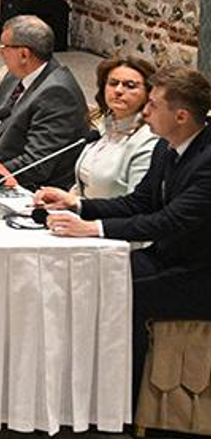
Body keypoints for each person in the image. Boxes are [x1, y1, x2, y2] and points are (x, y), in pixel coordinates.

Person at [37, 66, 211, 390]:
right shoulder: (166, 146)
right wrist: (77, 205)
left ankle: (126, 395)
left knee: (117, 290)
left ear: (182, 116)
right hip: (168, 258)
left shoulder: (206, 160)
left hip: (199, 273)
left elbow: (169, 221)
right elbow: (140, 202)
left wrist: (93, 229)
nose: (145, 112)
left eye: (153, 105)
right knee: (89, 271)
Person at [0, 15, 94, 190]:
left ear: (24, 54)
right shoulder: (13, 75)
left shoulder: (57, 93)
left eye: (3, 47)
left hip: (28, 187)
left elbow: (36, 164)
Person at [74, 55, 158, 200]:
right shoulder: (104, 127)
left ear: (149, 93)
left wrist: (76, 204)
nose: (118, 90)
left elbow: (138, 204)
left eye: (130, 86)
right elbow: (84, 183)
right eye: (113, 83)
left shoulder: (149, 139)